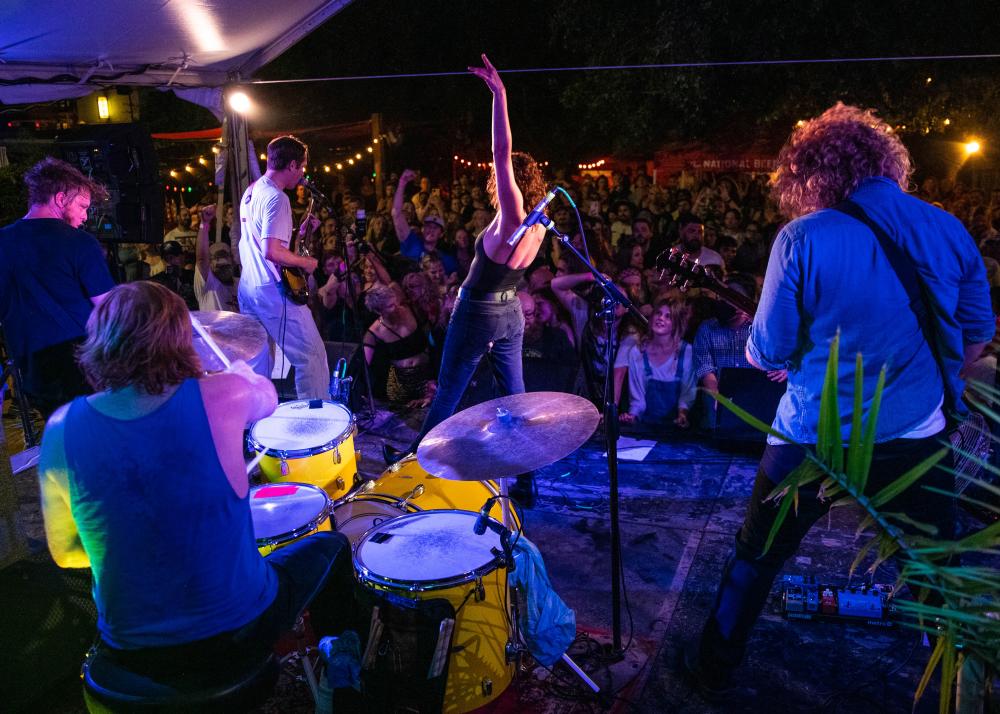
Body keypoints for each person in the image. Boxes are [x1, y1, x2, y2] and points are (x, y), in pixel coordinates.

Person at [685, 103, 995, 698]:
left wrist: (787, 358)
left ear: (811, 172)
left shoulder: (801, 237)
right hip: (915, 437)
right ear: (887, 162)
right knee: (935, 569)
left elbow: (767, 352)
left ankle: (710, 670)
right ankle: (964, 685)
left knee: (756, 558)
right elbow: (976, 336)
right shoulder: (947, 227)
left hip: (811, 442)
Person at [38, 281, 353, 680]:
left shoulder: (61, 427)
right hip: (238, 628)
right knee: (333, 545)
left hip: (132, 649)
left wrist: (134, 547)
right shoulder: (225, 393)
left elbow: (66, 552)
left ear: (99, 341)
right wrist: (239, 372)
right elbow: (268, 397)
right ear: (181, 339)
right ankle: (341, 677)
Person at [386, 55, 548, 469]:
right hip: (511, 311)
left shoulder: (513, 216)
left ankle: (410, 464)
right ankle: (525, 468)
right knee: (514, 394)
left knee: (448, 393)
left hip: (478, 311)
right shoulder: (540, 225)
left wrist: (500, 95)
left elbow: (502, 149)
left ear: (508, 181)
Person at [0, 157, 115, 417]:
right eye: (83, 206)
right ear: (61, 199)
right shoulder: (80, 243)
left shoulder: (3, 241)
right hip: (81, 360)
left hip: (29, 363)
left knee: (58, 433)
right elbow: (109, 307)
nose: (85, 217)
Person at [237, 135, 329, 399]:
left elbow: (262, 243)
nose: (302, 173)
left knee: (257, 363)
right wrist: (307, 262)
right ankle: (315, 427)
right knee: (310, 357)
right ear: (291, 165)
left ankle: (256, 423)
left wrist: (299, 234)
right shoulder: (278, 198)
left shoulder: (252, 190)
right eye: (301, 167)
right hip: (273, 294)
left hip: (250, 289)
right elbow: (272, 251)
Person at [620, 298, 695, 429]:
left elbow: (687, 394)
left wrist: (682, 415)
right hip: (646, 428)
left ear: (676, 323)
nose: (660, 318)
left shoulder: (687, 352)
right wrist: (632, 416)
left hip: (676, 431)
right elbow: (637, 400)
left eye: (668, 316)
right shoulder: (637, 352)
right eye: (658, 313)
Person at [193, 204, 239, 313]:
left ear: (232, 260)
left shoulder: (241, 285)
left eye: (224, 255)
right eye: (216, 257)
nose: (221, 261)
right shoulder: (208, 283)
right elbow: (201, 258)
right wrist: (204, 224)